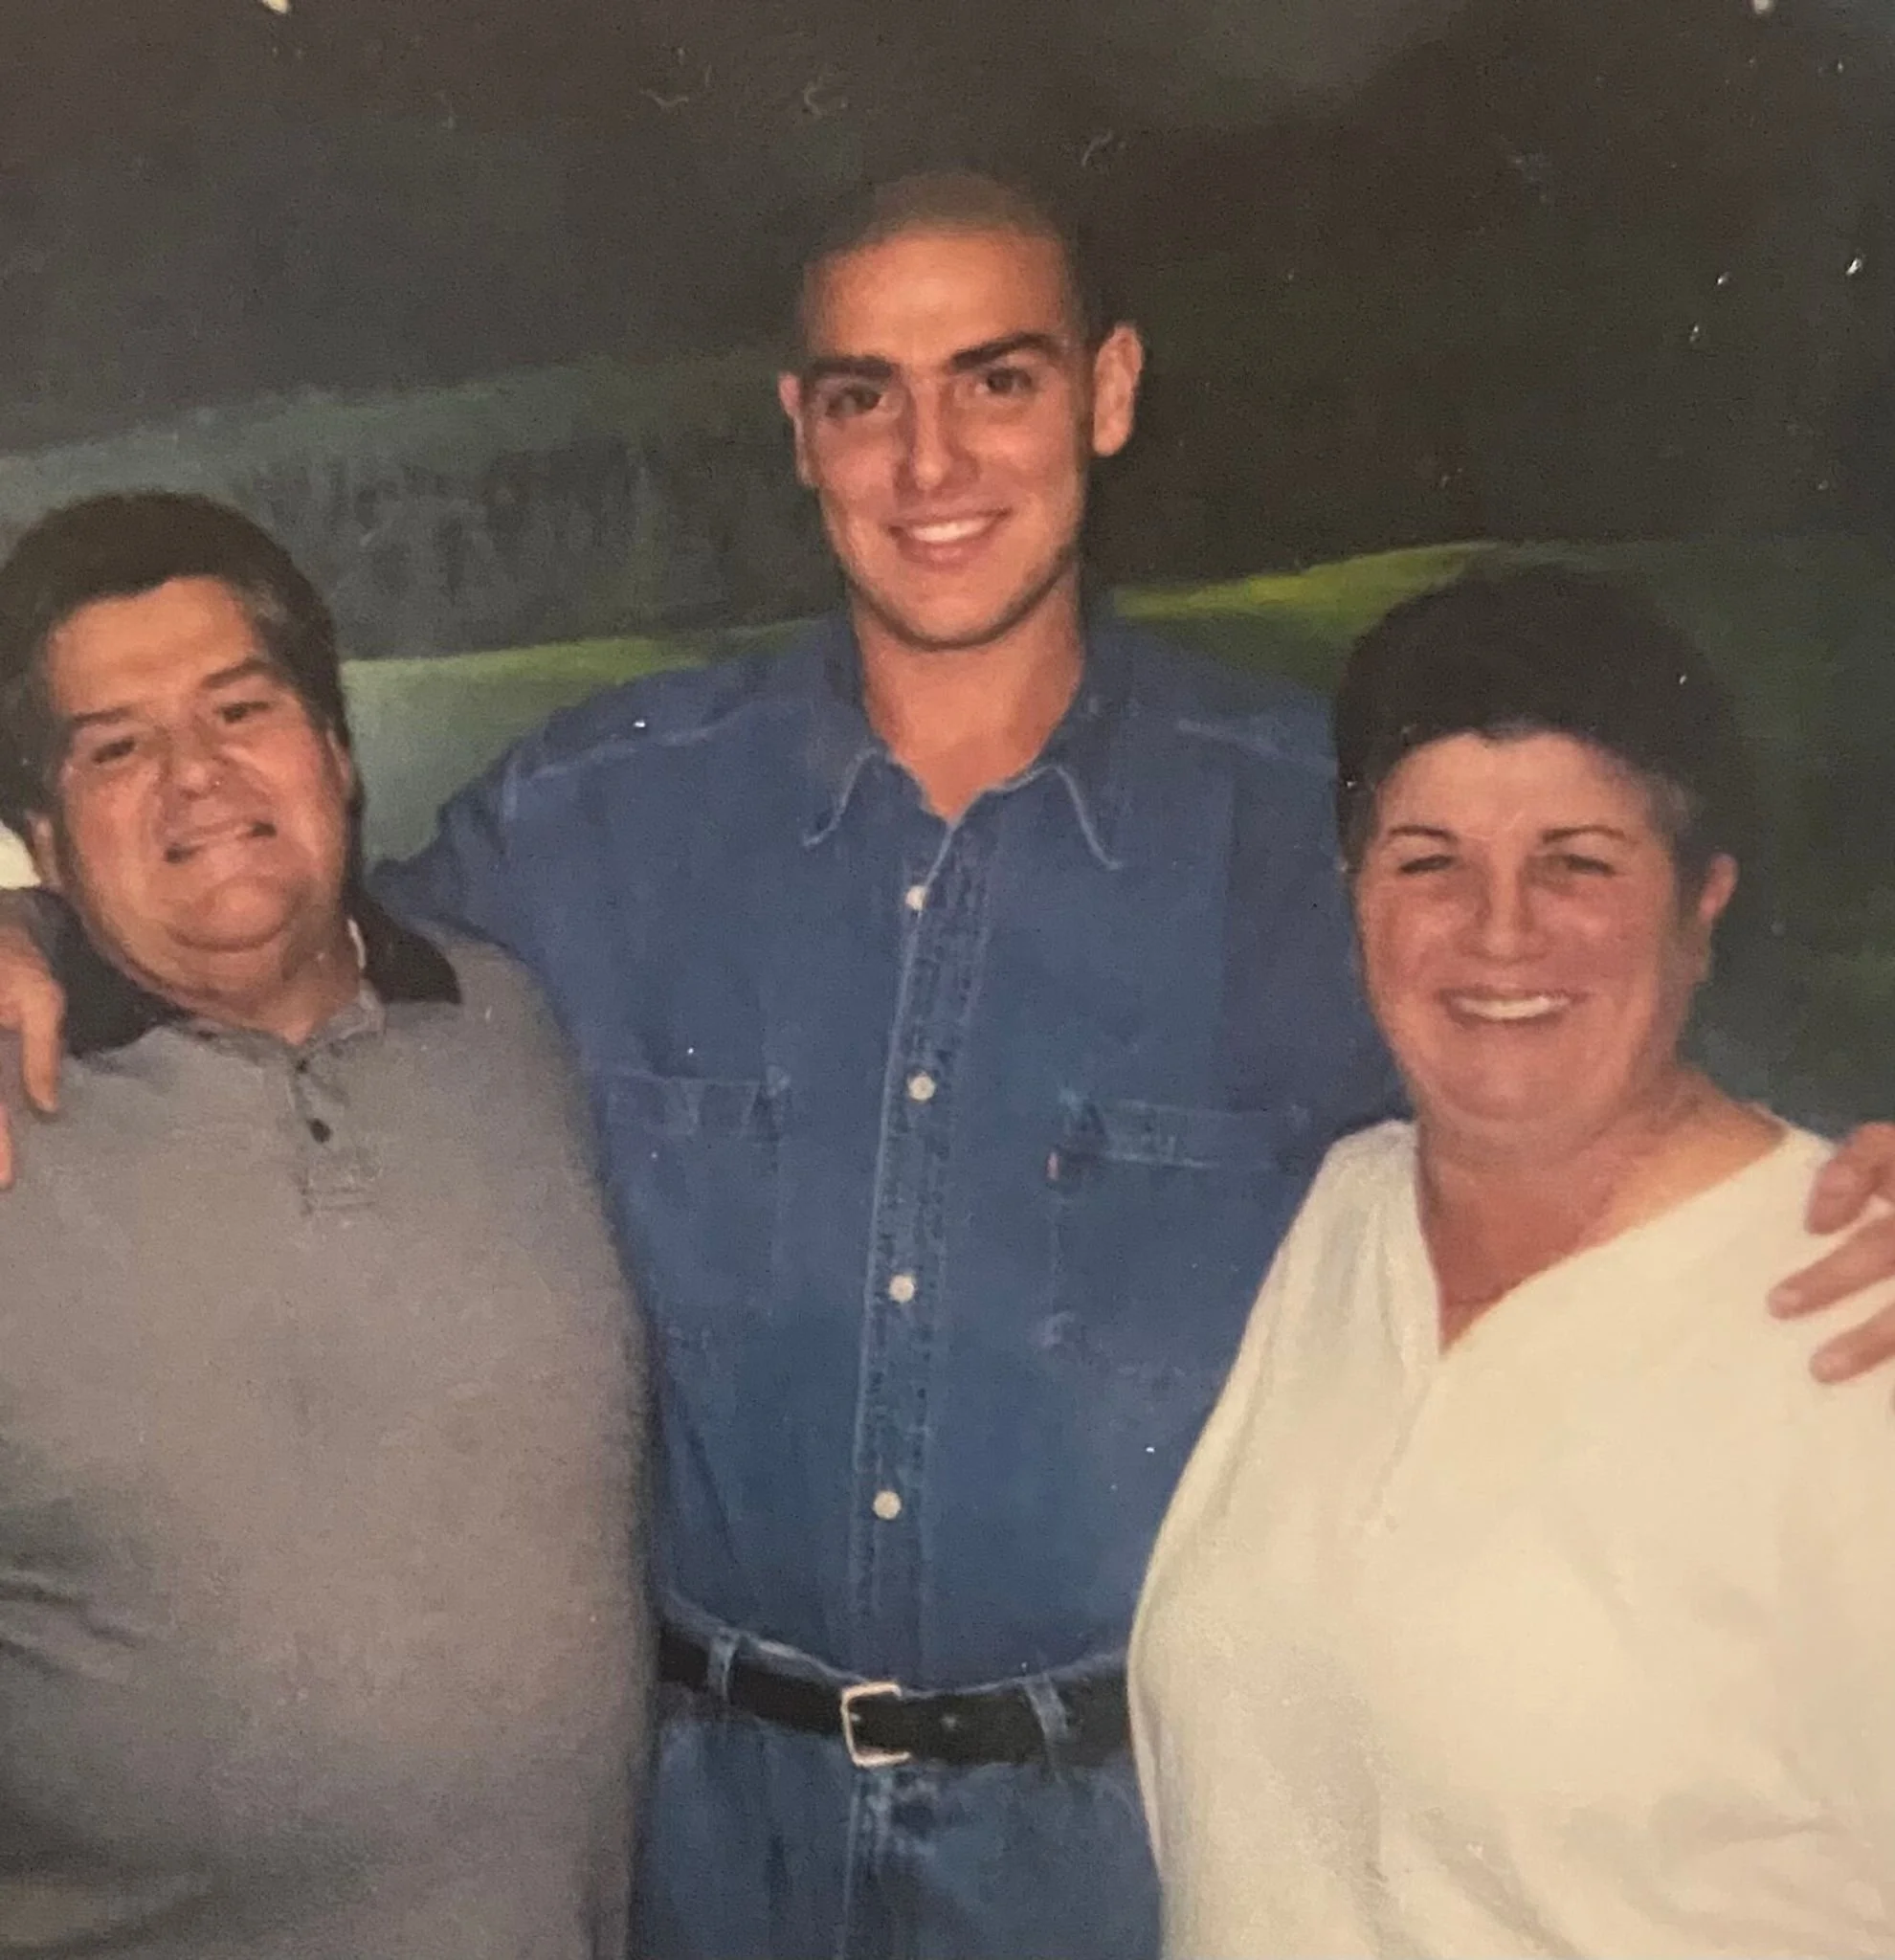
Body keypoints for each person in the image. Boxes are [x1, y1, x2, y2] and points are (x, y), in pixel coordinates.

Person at [1, 176, 1895, 1960]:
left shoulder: (1303, 828)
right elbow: (274, 953)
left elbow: (1598, 1009)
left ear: (1112, 393)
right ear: (799, 430)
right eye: (864, 396)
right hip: (702, 1843)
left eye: (998, 380)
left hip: (1117, 1849)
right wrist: (13, 912)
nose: (931, 464)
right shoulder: (601, 818)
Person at [1132, 566, 1895, 1959]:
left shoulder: (1852, 1325)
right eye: (1431, 861)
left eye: (1579, 863)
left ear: (1704, 901)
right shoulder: (1339, 1222)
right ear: (1357, 890)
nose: (1499, 932)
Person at [0, 492, 651, 1959]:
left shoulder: (514, 1026)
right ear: (42, 835)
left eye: (242, 707)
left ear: (339, 755)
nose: (197, 777)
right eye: (115, 746)